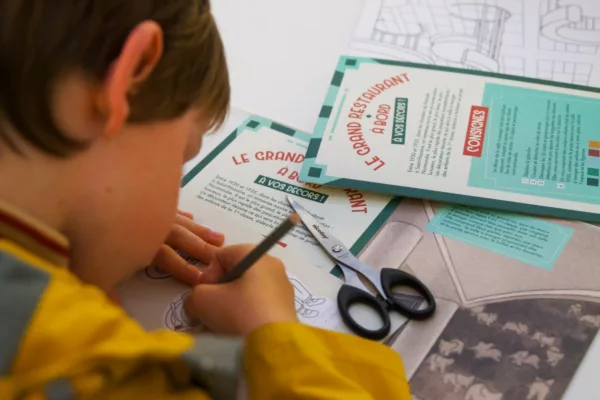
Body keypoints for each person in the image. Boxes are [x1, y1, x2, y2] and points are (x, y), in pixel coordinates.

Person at [0, 1, 412, 399]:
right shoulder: (98, 373)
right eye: (181, 157)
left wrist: (105, 221)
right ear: (131, 77)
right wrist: (275, 334)